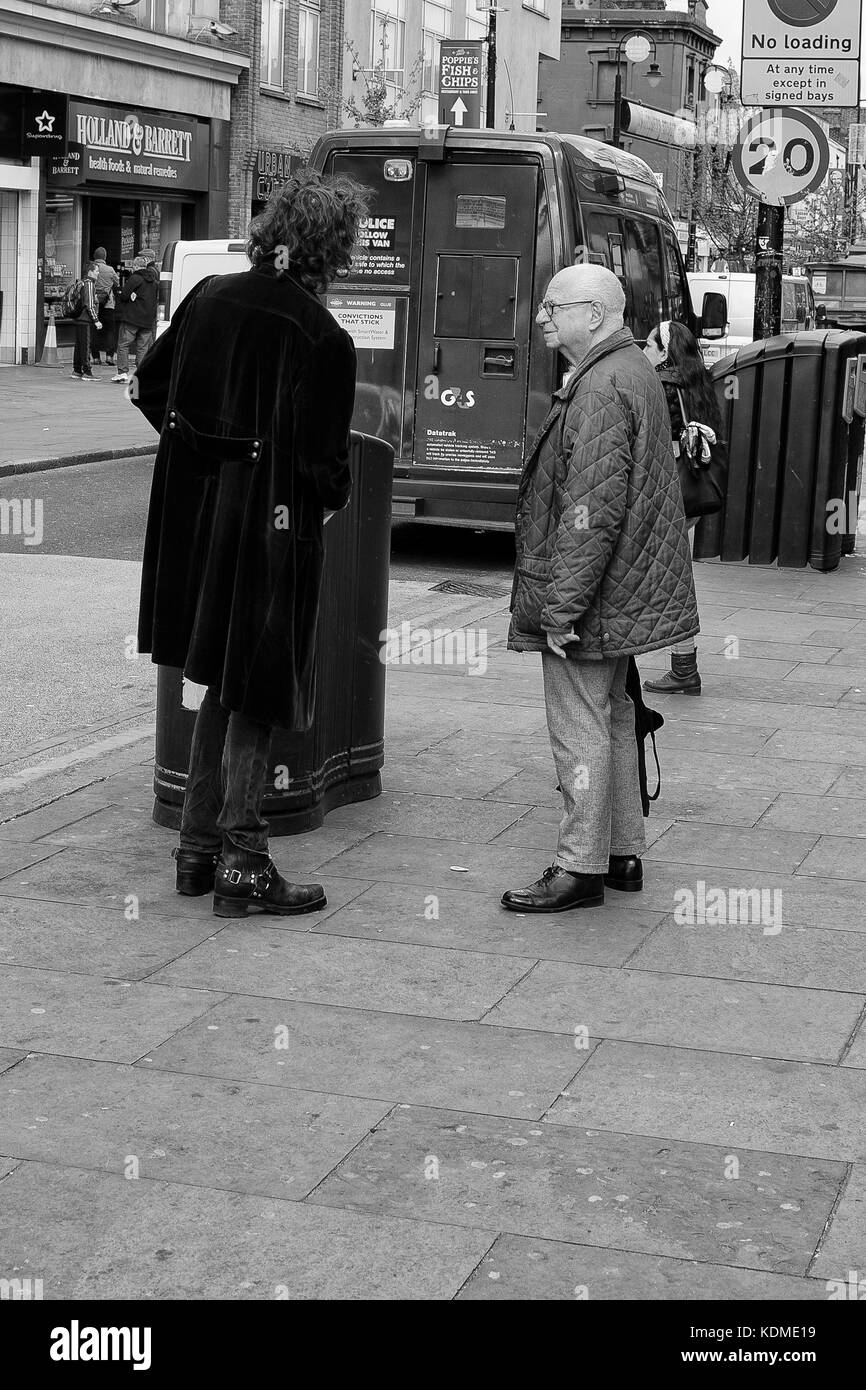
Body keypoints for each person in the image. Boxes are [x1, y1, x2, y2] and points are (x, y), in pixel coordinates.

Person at [133, 169, 368, 917]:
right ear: (332, 252)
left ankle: (196, 851)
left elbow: (149, 387)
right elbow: (327, 470)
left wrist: (196, 459)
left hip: (196, 525)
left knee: (217, 684)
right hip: (270, 535)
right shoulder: (323, 337)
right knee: (256, 689)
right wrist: (314, 502)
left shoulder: (206, 298)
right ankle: (242, 856)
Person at [501, 265, 699, 915]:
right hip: (625, 589)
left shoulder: (602, 384)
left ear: (593, 313)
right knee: (614, 716)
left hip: (598, 596)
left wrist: (560, 610)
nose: (541, 319)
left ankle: (579, 865)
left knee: (579, 722)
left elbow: (591, 510)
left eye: (553, 307)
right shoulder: (630, 370)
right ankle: (622, 852)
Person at [642, 320, 726, 696]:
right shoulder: (698, 382)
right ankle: (682, 665)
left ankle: (684, 668)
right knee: (675, 575)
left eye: (649, 345)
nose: (643, 351)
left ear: (664, 352)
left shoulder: (661, 384)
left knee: (672, 580)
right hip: (689, 491)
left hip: (668, 492)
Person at [112, 252, 159, 384]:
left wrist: (131, 295)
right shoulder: (154, 281)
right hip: (147, 320)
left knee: (123, 344)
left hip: (132, 318)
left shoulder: (135, 278)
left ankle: (122, 372)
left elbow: (124, 296)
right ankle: (141, 373)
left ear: (136, 267)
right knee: (143, 347)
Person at [70, 262, 102, 381]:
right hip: (85, 319)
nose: (98, 273)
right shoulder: (89, 284)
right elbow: (89, 304)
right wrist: (96, 320)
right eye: (96, 271)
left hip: (79, 318)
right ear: (90, 272)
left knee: (79, 345)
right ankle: (87, 372)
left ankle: (77, 370)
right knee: (85, 345)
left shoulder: (82, 282)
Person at [90, 247, 119, 365]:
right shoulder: (110, 269)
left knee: (94, 330)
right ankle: (109, 357)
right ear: (105, 257)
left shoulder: (91, 268)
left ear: (94, 256)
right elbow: (117, 283)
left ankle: (96, 358)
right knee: (110, 331)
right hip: (108, 304)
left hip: (94, 303)